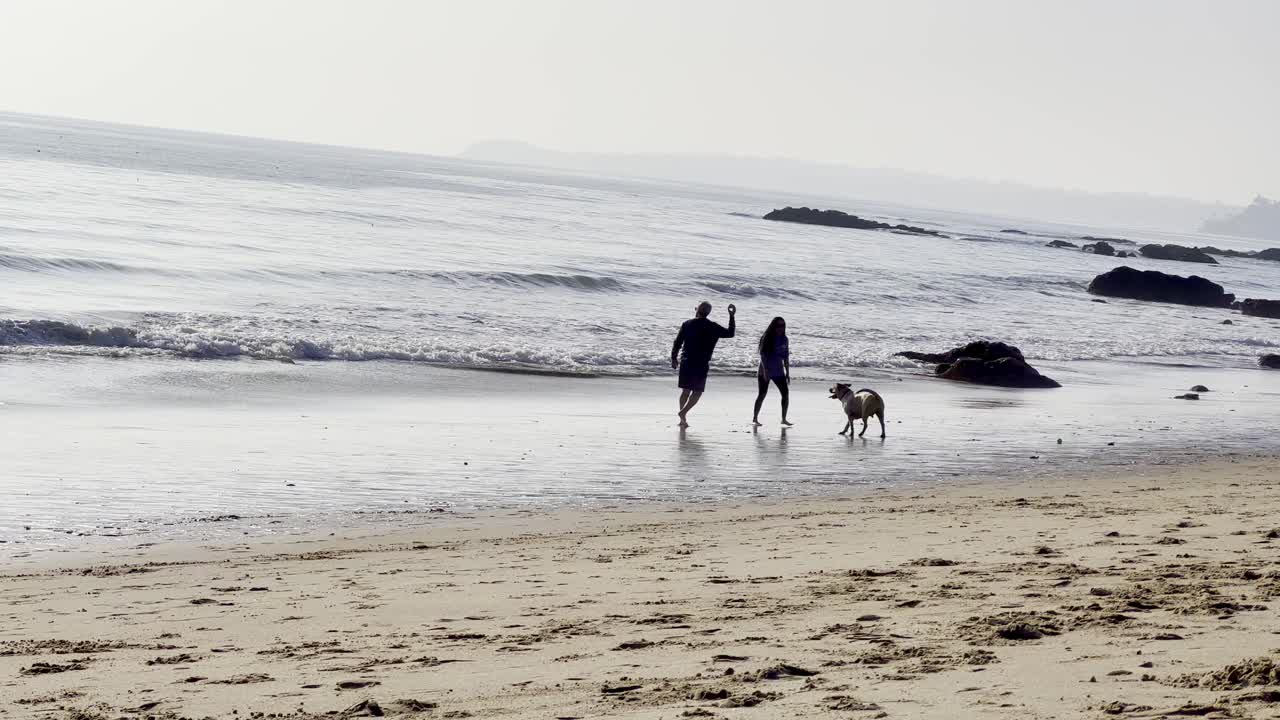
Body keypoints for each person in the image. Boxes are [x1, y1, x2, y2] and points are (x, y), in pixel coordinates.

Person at [670, 301, 735, 427]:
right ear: (708, 313)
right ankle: (683, 413)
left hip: (686, 362)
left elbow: (677, 342)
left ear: (697, 310)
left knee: (685, 391)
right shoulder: (713, 326)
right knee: (697, 392)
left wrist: (674, 357)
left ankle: (682, 419)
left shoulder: (687, 324)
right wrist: (731, 316)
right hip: (701, 363)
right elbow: (730, 333)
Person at [752, 316, 791, 426]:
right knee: (762, 394)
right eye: (778, 325)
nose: (781, 328)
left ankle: (783, 419)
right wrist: (765, 371)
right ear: (773, 326)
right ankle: (755, 418)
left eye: (783, 325)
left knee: (785, 394)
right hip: (765, 370)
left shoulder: (785, 339)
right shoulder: (767, 337)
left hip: (778, 371)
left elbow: (786, 357)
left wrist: (787, 372)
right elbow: (763, 355)